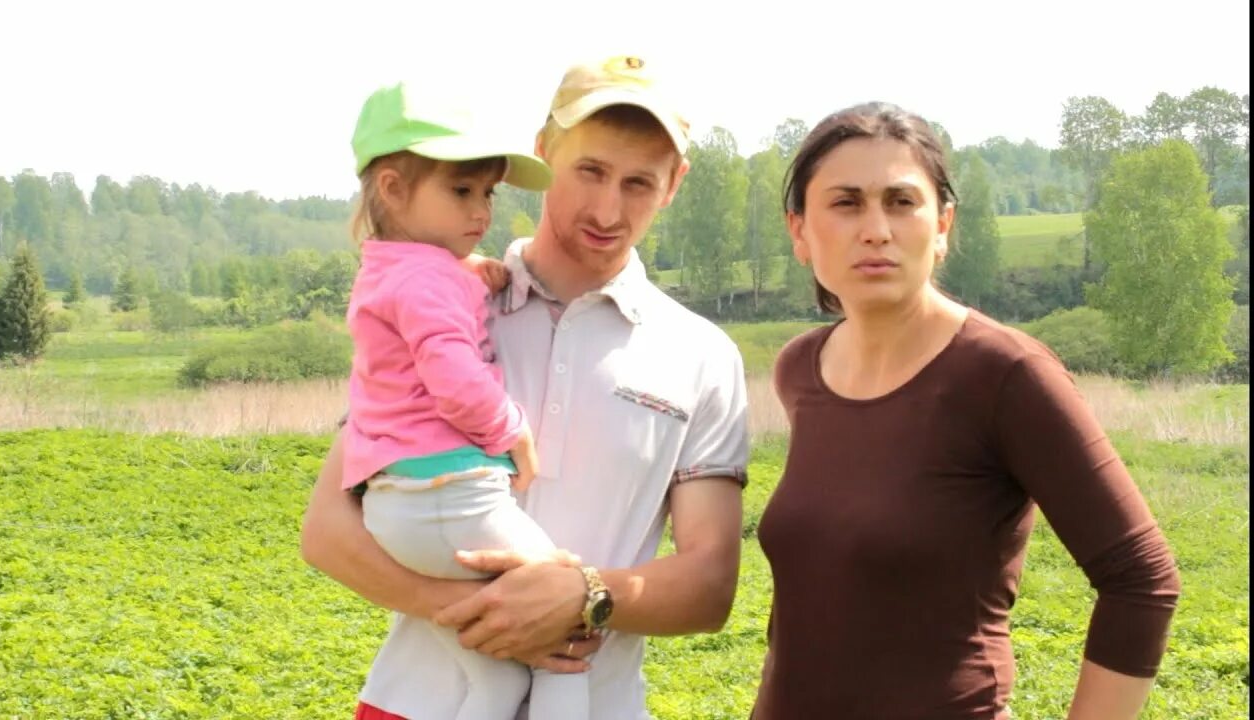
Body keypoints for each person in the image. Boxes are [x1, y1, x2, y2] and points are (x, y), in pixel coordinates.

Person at [301, 55, 750, 720]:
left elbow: (710, 586)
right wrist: (472, 613)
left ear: (675, 184)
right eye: (589, 171)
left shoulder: (703, 355)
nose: (607, 207)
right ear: (543, 152)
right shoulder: (448, 300)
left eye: (638, 184)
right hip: (414, 704)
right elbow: (327, 530)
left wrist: (585, 596)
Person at [753, 102, 1181, 719]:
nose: (876, 229)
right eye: (846, 203)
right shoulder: (800, 368)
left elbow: (1142, 580)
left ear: (944, 223)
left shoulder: (1006, 375)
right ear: (799, 230)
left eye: (901, 202)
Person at [342, 80, 594, 720]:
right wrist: (512, 428)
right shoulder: (427, 280)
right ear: (394, 188)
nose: (480, 210)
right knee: (565, 601)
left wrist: (465, 267)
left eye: (486, 192)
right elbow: (452, 375)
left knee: (494, 677)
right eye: (460, 191)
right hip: (450, 491)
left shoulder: (394, 268)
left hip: (403, 502)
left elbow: (420, 298)